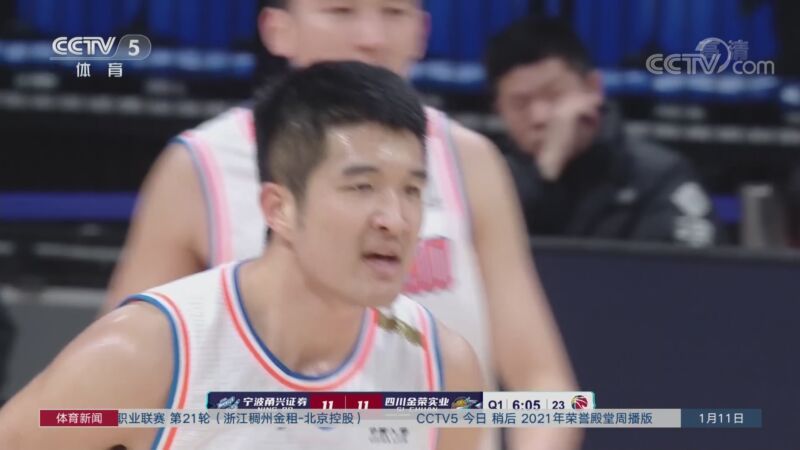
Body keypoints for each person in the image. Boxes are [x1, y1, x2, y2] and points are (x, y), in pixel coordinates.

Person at [102, 2, 580, 449]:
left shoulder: (470, 161)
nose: (371, 37)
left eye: (393, 12)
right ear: (278, 30)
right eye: (341, 11)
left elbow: (544, 384)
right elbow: (121, 386)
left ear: (422, 32)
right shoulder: (201, 167)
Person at [0, 62, 484, 450]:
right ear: (279, 208)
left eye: (412, 190)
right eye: (362, 187)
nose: (395, 220)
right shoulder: (146, 352)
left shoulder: (443, 370)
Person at [484, 17, 720, 246]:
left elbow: (692, 268)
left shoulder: (659, 175)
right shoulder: (487, 179)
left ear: (593, 87)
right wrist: (546, 168)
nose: (540, 117)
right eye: (520, 104)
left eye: (553, 95)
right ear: (498, 109)